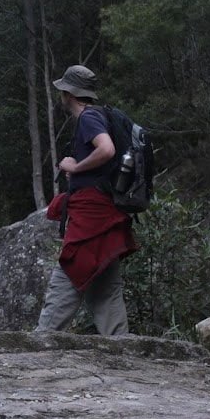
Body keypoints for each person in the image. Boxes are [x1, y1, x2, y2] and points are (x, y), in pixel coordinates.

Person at [35, 64, 138, 336]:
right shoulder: (99, 115)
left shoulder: (88, 118)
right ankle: (121, 351)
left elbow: (106, 149)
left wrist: (75, 167)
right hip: (103, 216)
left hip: (91, 221)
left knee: (67, 276)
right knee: (106, 293)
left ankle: (39, 345)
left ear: (69, 93)